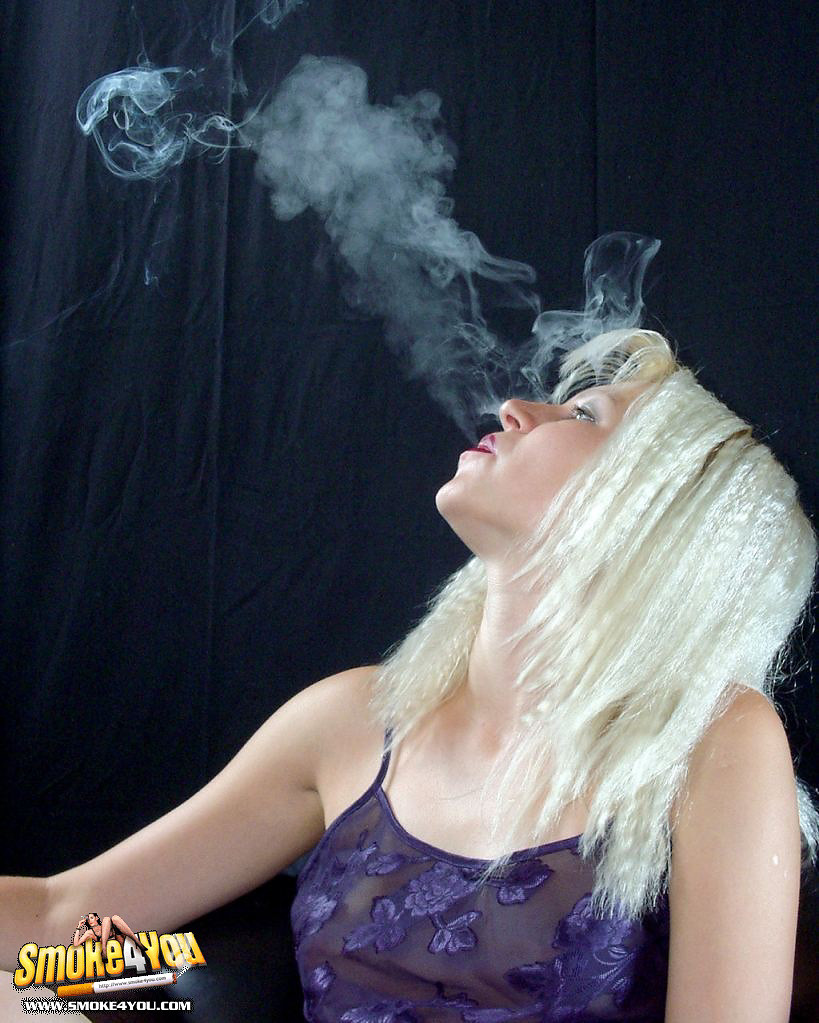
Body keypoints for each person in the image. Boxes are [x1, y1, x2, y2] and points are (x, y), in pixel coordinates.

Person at [1, 328, 816, 1022]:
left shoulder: (714, 742)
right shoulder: (350, 721)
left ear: (659, 512)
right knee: (23, 995)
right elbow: (61, 919)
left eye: (583, 415)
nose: (515, 409)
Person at [71, 911, 151, 963]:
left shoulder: (106, 925)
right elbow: (76, 944)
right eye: (88, 919)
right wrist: (79, 926)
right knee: (107, 919)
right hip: (113, 954)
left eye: (91, 918)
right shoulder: (90, 932)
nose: (90, 920)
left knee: (114, 918)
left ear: (96, 918)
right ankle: (104, 949)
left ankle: (137, 942)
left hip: (120, 946)